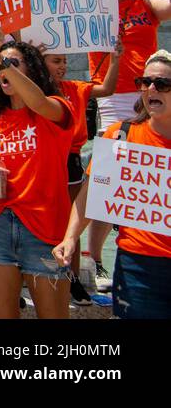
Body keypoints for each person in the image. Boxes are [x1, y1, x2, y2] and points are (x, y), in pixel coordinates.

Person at [70, 0, 171, 290]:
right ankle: (91, 258)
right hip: (113, 99)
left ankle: (143, 251)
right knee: (106, 180)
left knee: (149, 178)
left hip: (155, 95)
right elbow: (71, 3)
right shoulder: (94, 7)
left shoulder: (146, 5)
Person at [54, 50, 171, 320]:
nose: (151, 88)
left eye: (162, 84)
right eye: (145, 82)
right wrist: (71, 237)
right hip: (138, 267)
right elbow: (92, 192)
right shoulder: (120, 135)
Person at [0, 25, 73, 320]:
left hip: (44, 227)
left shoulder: (57, 107)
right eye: (1, 65)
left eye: (14, 63)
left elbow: (39, 102)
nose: (4, 69)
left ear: (33, 70)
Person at [42, 44, 118, 306]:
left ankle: (72, 279)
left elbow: (107, 89)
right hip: (43, 159)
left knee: (70, 221)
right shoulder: (35, 91)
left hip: (70, 160)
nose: (62, 65)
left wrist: (115, 59)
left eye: (64, 60)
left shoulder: (76, 87)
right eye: (56, 61)